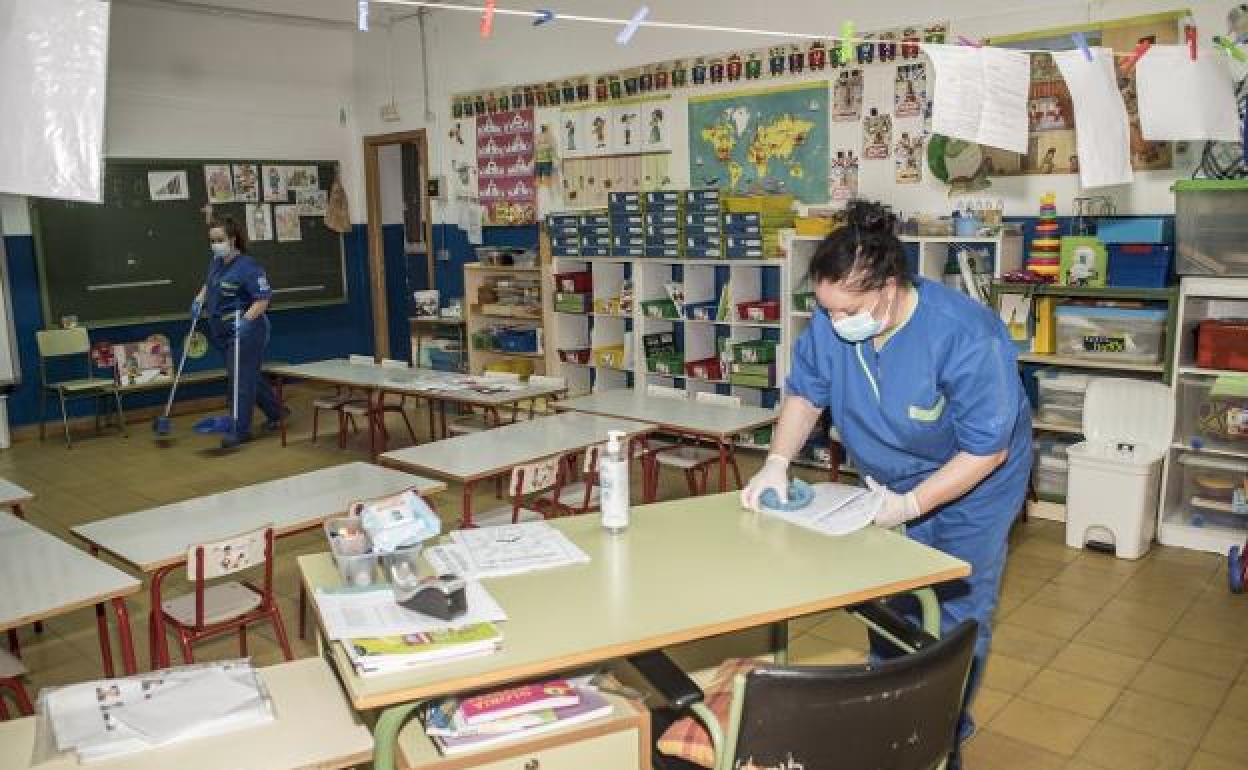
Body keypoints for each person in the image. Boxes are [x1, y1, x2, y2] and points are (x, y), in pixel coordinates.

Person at [741, 200, 1031, 768]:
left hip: (976, 483)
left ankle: (942, 731)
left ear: (891, 288)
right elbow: (806, 392)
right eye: (825, 308)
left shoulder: (966, 335)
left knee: (957, 607)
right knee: (891, 599)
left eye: (847, 308)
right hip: (888, 479)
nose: (834, 320)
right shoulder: (832, 329)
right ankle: (887, 716)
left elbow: (986, 449)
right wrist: (776, 460)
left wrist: (914, 505)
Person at [192, 218, 284, 449]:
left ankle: (240, 430)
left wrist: (245, 321)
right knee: (247, 375)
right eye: (212, 240)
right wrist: (199, 300)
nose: (215, 244)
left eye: (220, 240)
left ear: (233, 240)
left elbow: (263, 299)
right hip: (221, 332)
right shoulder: (217, 262)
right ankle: (277, 412)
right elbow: (208, 284)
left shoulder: (249, 267)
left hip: (247, 330)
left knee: (240, 380)